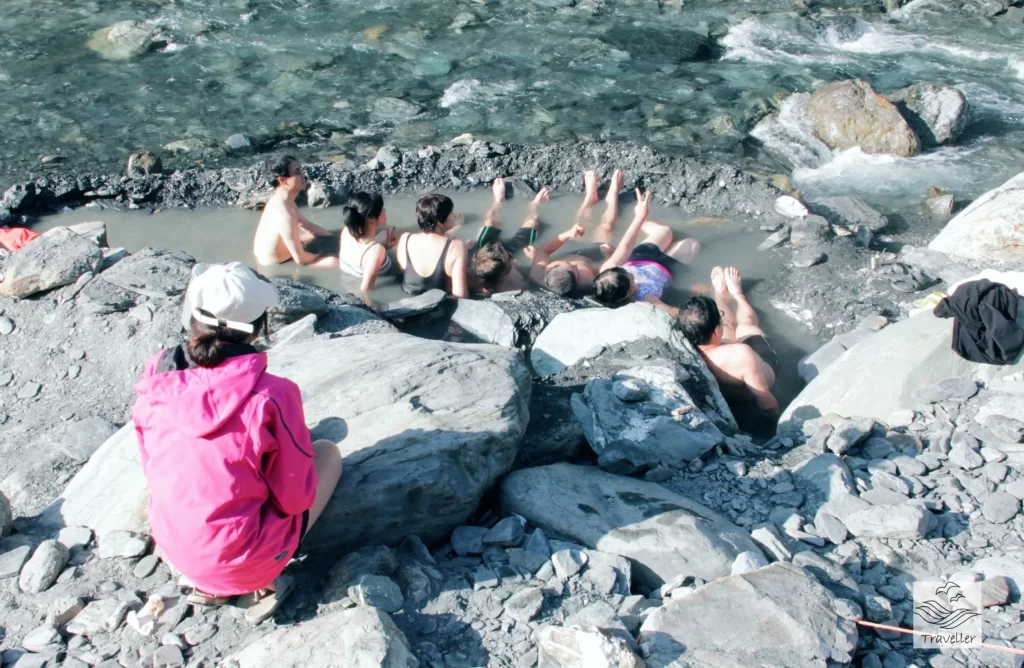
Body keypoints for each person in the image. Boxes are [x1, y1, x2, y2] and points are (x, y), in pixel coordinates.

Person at [132, 262, 343, 624]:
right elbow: (295, 498)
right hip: (245, 564)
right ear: (260, 326)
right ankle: (261, 578)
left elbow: (150, 458)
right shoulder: (274, 394)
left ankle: (205, 575)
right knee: (328, 452)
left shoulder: (159, 373)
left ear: (194, 318)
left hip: (175, 549)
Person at [677, 266, 781, 416]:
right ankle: (738, 295)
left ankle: (720, 294)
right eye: (719, 318)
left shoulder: (686, 347)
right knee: (746, 325)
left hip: (733, 393)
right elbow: (765, 401)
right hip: (758, 378)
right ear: (716, 331)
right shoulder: (741, 354)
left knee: (728, 326)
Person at [591, 190, 701, 317]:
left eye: (625, 271)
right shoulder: (645, 299)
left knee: (665, 231)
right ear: (627, 294)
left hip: (640, 258)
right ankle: (670, 249)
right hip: (665, 270)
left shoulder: (606, 271)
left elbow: (625, 247)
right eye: (630, 278)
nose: (632, 274)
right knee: (693, 245)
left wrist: (640, 217)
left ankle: (644, 223)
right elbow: (673, 313)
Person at [527, 169, 625, 296]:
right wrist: (609, 254)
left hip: (570, 248)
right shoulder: (589, 283)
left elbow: (544, 250)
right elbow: (613, 266)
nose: (574, 265)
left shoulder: (538, 275)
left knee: (580, 223)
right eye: (576, 271)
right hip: (594, 255)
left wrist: (567, 234)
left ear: (549, 269)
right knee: (605, 227)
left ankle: (590, 195)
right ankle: (613, 193)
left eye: (568, 264)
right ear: (577, 281)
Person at [253, 156, 338, 268]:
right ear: (282, 180)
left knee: (311, 235)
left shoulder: (284, 200)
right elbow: (300, 258)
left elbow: (307, 226)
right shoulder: (283, 214)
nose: (303, 175)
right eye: (297, 172)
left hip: (273, 255)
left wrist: (335, 238)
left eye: (301, 170)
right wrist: (323, 254)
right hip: (276, 265)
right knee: (334, 261)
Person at [469, 177, 551, 294]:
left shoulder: (473, 272)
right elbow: (533, 281)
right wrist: (535, 260)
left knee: (489, 221)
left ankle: (498, 201)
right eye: (509, 259)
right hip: (508, 254)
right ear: (504, 272)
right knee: (533, 221)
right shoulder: (515, 285)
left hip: (486, 250)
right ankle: (535, 206)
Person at [395, 194, 468, 298]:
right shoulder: (456, 246)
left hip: (406, 302)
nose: (454, 216)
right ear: (439, 223)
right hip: (438, 308)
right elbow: (460, 295)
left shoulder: (405, 239)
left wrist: (457, 227)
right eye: (451, 213)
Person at [337, 192, 398, 306]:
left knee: (385, 236)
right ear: (371, 219)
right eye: (381, 209)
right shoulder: (375, 250)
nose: (385, 211)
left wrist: (385, 247)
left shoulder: (347, 231)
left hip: (348, 277)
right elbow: (365, 290)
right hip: (379, 278)